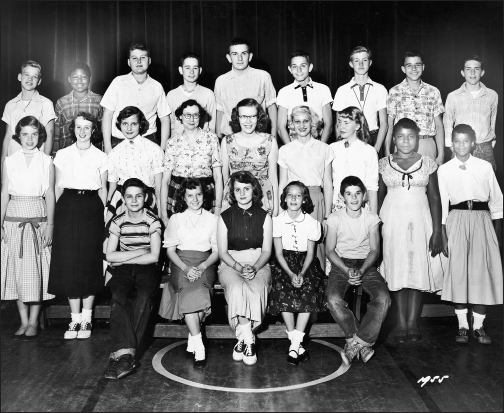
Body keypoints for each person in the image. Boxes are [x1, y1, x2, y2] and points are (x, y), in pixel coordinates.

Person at [378, 118, 445, 343]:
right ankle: (399, 323)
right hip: (392, 220)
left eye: (411, 136)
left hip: (420, 219)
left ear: (418, 138)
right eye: (400, 136)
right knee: (396, 268)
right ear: (393, 139)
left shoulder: (428, 163)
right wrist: (376, 230)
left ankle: (412, 323)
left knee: (417, 268)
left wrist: (437, 231)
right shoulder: (383, 163)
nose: (405, 141)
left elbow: (435, 197)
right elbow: (378, 198)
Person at [437, 124, 503, 344]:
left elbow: (497, 203)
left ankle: (479, 326)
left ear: (473, 143)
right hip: (456, 220)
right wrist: (444, 235)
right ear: (451, 143)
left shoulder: (484, 167)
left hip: (482, 221)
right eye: (457, 140)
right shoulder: (444, 170)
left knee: (481, 272)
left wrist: (497, 235)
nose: (461, 145)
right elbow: (444, 207)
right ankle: (463, 326)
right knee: (459, 272)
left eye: (466, 141)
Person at [47, 113, 108, 340]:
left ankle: (87, 318)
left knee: (89, 260)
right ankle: (74, 320)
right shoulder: (62, 155)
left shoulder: (101, 156)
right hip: (68, 207)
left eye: (87, 127)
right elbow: (57, 188)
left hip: (92, 207)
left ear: (93, 130)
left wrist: (102, 215)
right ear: (73, 130)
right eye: (79, 127)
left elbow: (103, 189)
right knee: (71, 261)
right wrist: (54, 219)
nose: (83, 131)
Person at [326, 176, 391, 365]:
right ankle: (360, 342)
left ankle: (357, 343)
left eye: (358, 194)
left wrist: (361, 271)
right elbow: (329, 250)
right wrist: (347, 271)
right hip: (341, 265)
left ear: (364, 196)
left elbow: (375, 250)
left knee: (383, 298)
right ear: (342, 197)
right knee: (333, 299)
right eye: (348, 194)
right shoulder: (335, 218)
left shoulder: (371, 218)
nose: (353, 198)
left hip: (366, 264)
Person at [1, 116, 55, 338]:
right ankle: (23, 321)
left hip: (38, 216)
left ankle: (34, 321)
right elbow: (4, 193)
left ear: (39, 136)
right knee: (16, 270)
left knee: (36, 272)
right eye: (25, 134)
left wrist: (50, 224)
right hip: (13, 217)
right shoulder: (9, 160)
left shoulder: (47, 160)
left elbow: (50, 193)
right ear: (18, 135)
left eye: (34, 134)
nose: (29, 139)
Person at [104, 178, 162, 380]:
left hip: (148, 268)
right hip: (125, 268)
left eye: (139, 196)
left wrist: (126, 257)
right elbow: (110, 255)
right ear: (123, 198)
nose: (134, 200)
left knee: (144, 296)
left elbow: (154, 256)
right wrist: (141, 251)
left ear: (146, 197)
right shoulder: (117, 221)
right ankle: (126, 355)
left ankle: (121, 355)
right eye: (129, 196)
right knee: (117, 296)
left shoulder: (153, 221)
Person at [158, 178, 219, 368]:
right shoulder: (176, 219)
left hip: (205, 262)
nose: (195, 199)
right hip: (180, 263)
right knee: (187, 290)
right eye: (190, 195)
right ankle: (199, 344)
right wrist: (185, 268)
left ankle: (193, 336)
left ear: (204, 195)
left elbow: (217, 251)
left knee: (200, 292)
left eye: (198, 194)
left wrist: (201, 267)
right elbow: (170, 251)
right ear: (183, 197)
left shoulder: (213, 219)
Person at [268, 181, 327, 365]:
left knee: (308, 290)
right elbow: (277, 253)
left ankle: (294, 345)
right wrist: (290, 273)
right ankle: (296, 344)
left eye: (298, 195)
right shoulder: (276, 222)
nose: (293, 199)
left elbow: (310, 253)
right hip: (283, 262)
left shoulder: (311, 223)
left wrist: (300, 273)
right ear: (284, 198)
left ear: (304, 199)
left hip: (305, 263)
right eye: (290, 195)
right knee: (281, 288)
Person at [217, 171, 273, 366]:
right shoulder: (225, 217)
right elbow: (223, 252)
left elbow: (267, 251)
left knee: (256, 289)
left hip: (259, 261)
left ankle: (241, 338)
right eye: (237, 190)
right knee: (236, 288)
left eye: (246, 189)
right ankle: (249, 340)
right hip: (231, 262)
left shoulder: (265, 216)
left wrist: (255, 267)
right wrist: (239, 267)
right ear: (232, 193)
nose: (242, 193)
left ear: (254, 190)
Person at [278, 105, 334, 270]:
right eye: (297, 122)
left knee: (316, 248)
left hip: (316, 200)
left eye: (306, 121)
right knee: (295, 244)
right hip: (293, 201)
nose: (302, 125)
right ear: (292, 125)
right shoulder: (285, 150)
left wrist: (327, 215)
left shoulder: (324, 148)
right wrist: (282, 212)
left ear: (313, 123)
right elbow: (283, 183)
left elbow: (329, 183)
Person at [161, 100, 223, 224]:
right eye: (187, 115)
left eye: (195, 115)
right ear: (180, 117)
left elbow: (217, 176)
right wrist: (163, 213)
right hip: (179, 193)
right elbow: (166, 180)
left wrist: (218, 208)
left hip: (204, 192)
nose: (191, 119)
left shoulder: (211, 138)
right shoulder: (172, 142)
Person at [101, 43, 171, 152]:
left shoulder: (157, 87)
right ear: (129, 62)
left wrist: (163, 149)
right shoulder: (118, 82)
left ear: (149, 61)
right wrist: (108, 146)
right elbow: (107, 115)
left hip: (148, 140)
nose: (139, 61)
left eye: (143, 57)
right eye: (134, 58)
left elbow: (165, 119)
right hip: (119, 140)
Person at [106, 106, 164, 226]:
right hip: (121, 199)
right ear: (119, 125)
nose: (129, 128)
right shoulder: (114, 153)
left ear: (141, 125)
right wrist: (107, 207)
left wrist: (161, 211)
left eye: (134, 124)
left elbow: (158, 187)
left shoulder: (154, 149)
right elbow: (112, 186)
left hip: (147, 198)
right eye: (125, 124)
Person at [385, 51, 445, 165]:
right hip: (403, 145)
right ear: (403, 69)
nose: (414, 69)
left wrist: (441, 154)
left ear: (423, 67)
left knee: (428, 182)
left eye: (417, 65)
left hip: (426, 144)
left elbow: (439, 125)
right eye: (409, 65)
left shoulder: (433, 91)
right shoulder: (394, 92)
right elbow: (389, 125)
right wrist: (387, 151)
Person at [221, 98, 279, 216]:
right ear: (237, 118)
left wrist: (276, 207)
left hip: (262, 197)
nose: (248, 121)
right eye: (243, 116)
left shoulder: (269, 141)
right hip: (236, 196)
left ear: (259, 118)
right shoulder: (227, 141)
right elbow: (225, 178)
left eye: (252, 116)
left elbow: (273, 178)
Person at [214, 37, 277, 140]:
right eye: (235, 54)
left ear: (250, 56)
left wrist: (273, 138)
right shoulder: (221, 81)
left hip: (259, 138)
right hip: (230, 137)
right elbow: (220, 113)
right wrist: (218, 141)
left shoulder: (263, 76)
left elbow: (272, 108)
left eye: (244, 53)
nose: (239, 58)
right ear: (229, 58)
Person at [443, 55, 499, 171]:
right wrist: (452, 147)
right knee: (461, 185)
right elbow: (447, 122)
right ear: (463, 72)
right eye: (468, 69)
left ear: (482, 72)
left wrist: (491, 143)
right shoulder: (453, 96)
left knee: (486, 186)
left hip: (485, 148)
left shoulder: (492, 95)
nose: (472, 72)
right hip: (462, 148)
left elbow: (493, 120)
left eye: (476, 69)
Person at [332, 46, 388, 155]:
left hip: (373, 138)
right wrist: (342, 145)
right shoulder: (342, 90)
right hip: (350, 137)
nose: (361, 64)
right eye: (356, 61)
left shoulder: (380, 89)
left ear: (370, 63)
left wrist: (376, 149)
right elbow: (338, 124)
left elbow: (384, 123)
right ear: (351, 64)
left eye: (364, 60)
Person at [1, 61, 56, 164]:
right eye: (26, 75)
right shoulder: (10, 105)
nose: (30, 79)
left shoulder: (46, 104)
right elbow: (8, 135)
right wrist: (3, 161)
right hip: (14, 160)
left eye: (35, 77)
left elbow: (50, 134)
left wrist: (45, 162)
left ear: (39, 81)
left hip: (35, 162)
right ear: (19, 77)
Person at [277, 50, 333, 144]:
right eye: (294, 67)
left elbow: (329, 124)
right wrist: (291, 148)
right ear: (290, 69)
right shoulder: (284, 92)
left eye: (303, 66)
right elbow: (280, 127)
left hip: (318, 142)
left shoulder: (323, 89)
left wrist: (321, 147)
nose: (299, 70)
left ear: (310, 67)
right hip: (294, 144)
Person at [330, 106, 378, 213]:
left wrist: (374, 217)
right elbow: (329, 183)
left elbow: (372, 187)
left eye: (346, 123)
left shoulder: (368, 150)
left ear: (357, 125)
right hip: (338, 205)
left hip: (360, 205)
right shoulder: (332, 148)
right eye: (339, 122)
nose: (341, 126)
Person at [54, 62, 103, 150]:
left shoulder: (99, 101)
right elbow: (57, 134)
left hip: (92, 154)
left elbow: (103, 130)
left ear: (90, 79)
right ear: (69, 79)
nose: (79, 80)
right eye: (75, 77)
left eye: (84, 77)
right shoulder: (61, 103)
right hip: (68, 154)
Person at [166, 52, 216, 137]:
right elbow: (171, 124)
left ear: (200, 70)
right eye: (187, 68)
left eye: (195, 68)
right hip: (178, 144)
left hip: (201, 144)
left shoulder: (208, 94)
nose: (191, 72)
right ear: (181, 70)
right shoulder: (171, 95)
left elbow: (211, 125)